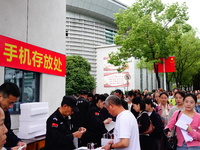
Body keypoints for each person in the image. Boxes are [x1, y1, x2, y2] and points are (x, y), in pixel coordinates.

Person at [0, 82, 26, 150]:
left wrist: (18, 142)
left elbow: (8, 133)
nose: (11, 106)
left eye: (13, 103)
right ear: (0, 96)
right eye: (9, 102)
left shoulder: (6, 111)